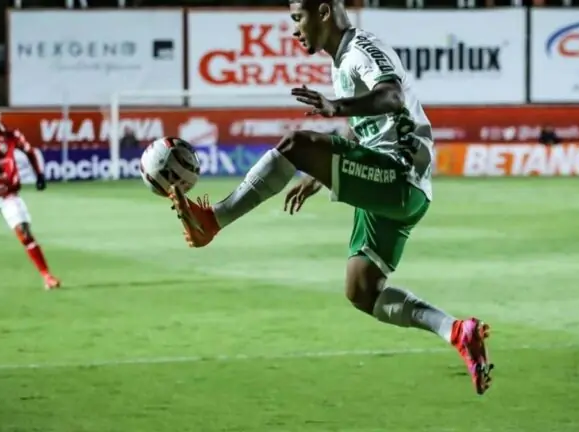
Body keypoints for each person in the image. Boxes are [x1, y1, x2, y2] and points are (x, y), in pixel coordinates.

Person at [167, 0, 493, 395]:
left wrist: (335, 109)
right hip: (396, 186)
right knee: (362, 289)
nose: (294, 29)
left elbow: (391, 97)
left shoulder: (361, 49)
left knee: (295, 143)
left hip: (397, 176)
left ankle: (213, 220)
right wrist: (320, 175)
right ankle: (457, 331)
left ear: (323, 12)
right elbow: (369, 124)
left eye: (297, 18)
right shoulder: (341, 61)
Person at [0, 100, 61, 289]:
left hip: (8, 194)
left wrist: (39, 174)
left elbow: (30, 152)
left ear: (0, 115)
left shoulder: (11, 135)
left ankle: (47, 276)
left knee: (25, 232)